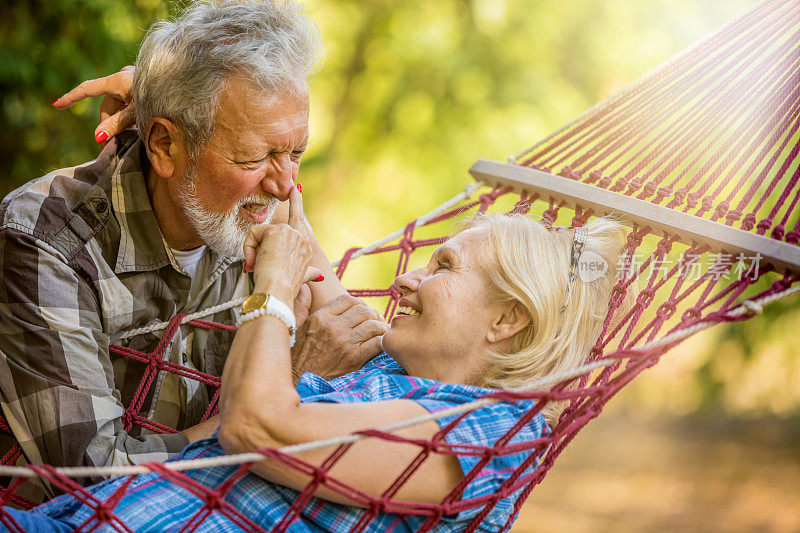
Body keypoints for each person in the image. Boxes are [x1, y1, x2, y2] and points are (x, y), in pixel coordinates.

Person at [0, 190, 633, 532]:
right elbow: (310, 254)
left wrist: (269, 290)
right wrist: (195, 115)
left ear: (506, 321)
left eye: (443, 267)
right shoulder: (397, 362)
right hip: (68, 515)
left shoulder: (485, 439)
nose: (405, 279)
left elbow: (258, 427)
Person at [0, 0, 388, 503]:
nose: (287, 185)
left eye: (296, 152)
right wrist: (283, 391)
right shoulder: (47, 242)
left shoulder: (258, 212)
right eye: (255, 156)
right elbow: (94, 481)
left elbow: (355, 339)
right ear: (162, 146)